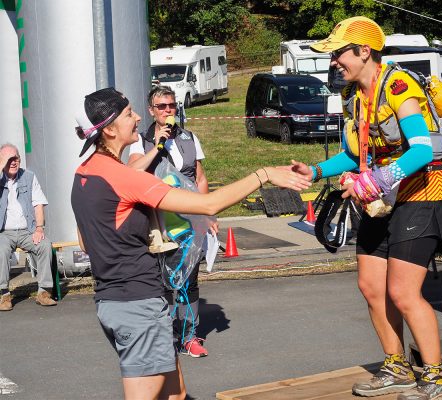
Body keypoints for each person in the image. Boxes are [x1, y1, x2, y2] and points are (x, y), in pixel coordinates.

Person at [71, 87, 310, 400]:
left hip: (111, 304)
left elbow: (86, 244)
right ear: (111, 129)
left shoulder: (83, 174)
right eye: (130, 114)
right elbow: (209, 204)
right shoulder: (126, 178)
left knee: (176, 393)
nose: (139, 117)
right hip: (138, 305)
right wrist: (263, 174)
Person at [291, 17, 442, 400]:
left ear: (364, 51)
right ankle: (396, 367)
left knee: (402, 292)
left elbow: (423, 148)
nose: (334, 62)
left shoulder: (399, 86)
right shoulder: (356, 96)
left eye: (338, 54)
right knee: (370, 286)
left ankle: (435, 376)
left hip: (422, 195)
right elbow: (354, 153)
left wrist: (375, 181)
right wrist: (315, 171)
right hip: (381, 201)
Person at [128, 85, 213, 358]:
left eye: (171, 106)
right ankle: (165, 336)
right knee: (161, 283)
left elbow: (199, 177)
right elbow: (132, 172)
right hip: (158, 226)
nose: (168, 111)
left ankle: (190, 336)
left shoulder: (190, 137)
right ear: (152, 111)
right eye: (162, 106)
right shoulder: (141, 140)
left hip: (190, 224)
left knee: (190, 281)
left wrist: (208, 212)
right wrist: (158, 145)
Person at [0, 143, 56, 311]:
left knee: (45, 245)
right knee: (0, 250)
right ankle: (3, 295)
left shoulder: (29, 177)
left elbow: (38, 204)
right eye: (8, 159)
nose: (13, 162)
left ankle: (44, 292)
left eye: (15, 158)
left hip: (27, 230)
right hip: (4, 232)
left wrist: (39, 228)